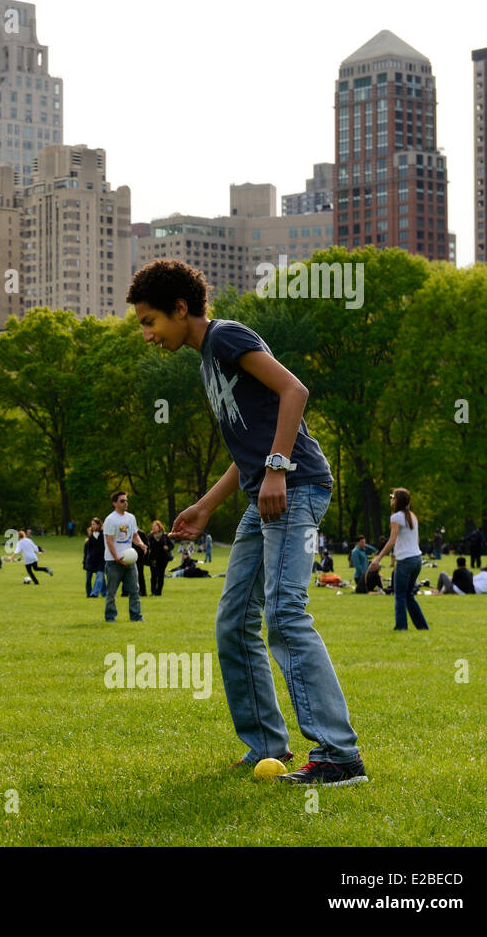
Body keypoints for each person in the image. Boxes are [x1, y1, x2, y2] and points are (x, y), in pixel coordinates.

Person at [132, 258, 366, 785]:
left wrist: (280, 469)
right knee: (235, 619)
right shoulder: (207, 364)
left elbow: (294, 391)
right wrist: (207, 505)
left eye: (150, 321)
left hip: (297, 486)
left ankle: (339, 755)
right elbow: (248, 447)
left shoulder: (226, 338)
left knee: (284, 613)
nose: (147, 334)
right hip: (265, 492)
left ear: (180, 308)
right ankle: (266, 744)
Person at [369, 487, 428, 631]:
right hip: (416, 559)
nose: (391, 499)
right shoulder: (412, 516)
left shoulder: (396, 517)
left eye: (392, 497)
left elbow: (392, 540)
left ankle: (401, 626)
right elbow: (417, 539)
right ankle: (422, 626)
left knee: (400, 595)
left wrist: (378, 559)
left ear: (397, 501)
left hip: (405, 560)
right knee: (408, 594)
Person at [102, 491, 147, 621]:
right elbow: (109, 540)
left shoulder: (131, 518)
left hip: (130, 560)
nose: (125, 503)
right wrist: (116, 558)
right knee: (111, 592)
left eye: (126, 500)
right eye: (122, 501)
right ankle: (110, 617)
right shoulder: (110, 519)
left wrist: (141, 544)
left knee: (134, 590)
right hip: (114, 561)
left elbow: (134, 535)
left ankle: (136, 616)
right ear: (114, 503)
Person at [147, 520, 174, 596]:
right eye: (153, 526)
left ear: (159, 527)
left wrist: (167, 547)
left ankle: (159, 592)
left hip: (163, 558)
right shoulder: (150, 536)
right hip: (153, 559)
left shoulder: (165, 535)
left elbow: (172, 545)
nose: (154, 527)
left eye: (155, 526)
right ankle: (153, 592)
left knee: (161, 575)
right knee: (153, 575)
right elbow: (147, 546)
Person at [82, 518, 105, 597]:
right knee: (88, 579)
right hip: (90, 561)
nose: (92, 526)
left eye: (94, 524)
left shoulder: (103, 535)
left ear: (99, 525)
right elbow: (86, 551)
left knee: (100, 577)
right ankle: (90, 594)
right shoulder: (89, 538)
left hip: (100, 560)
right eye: (91, 524)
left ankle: (94, 593)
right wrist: (84, 561)